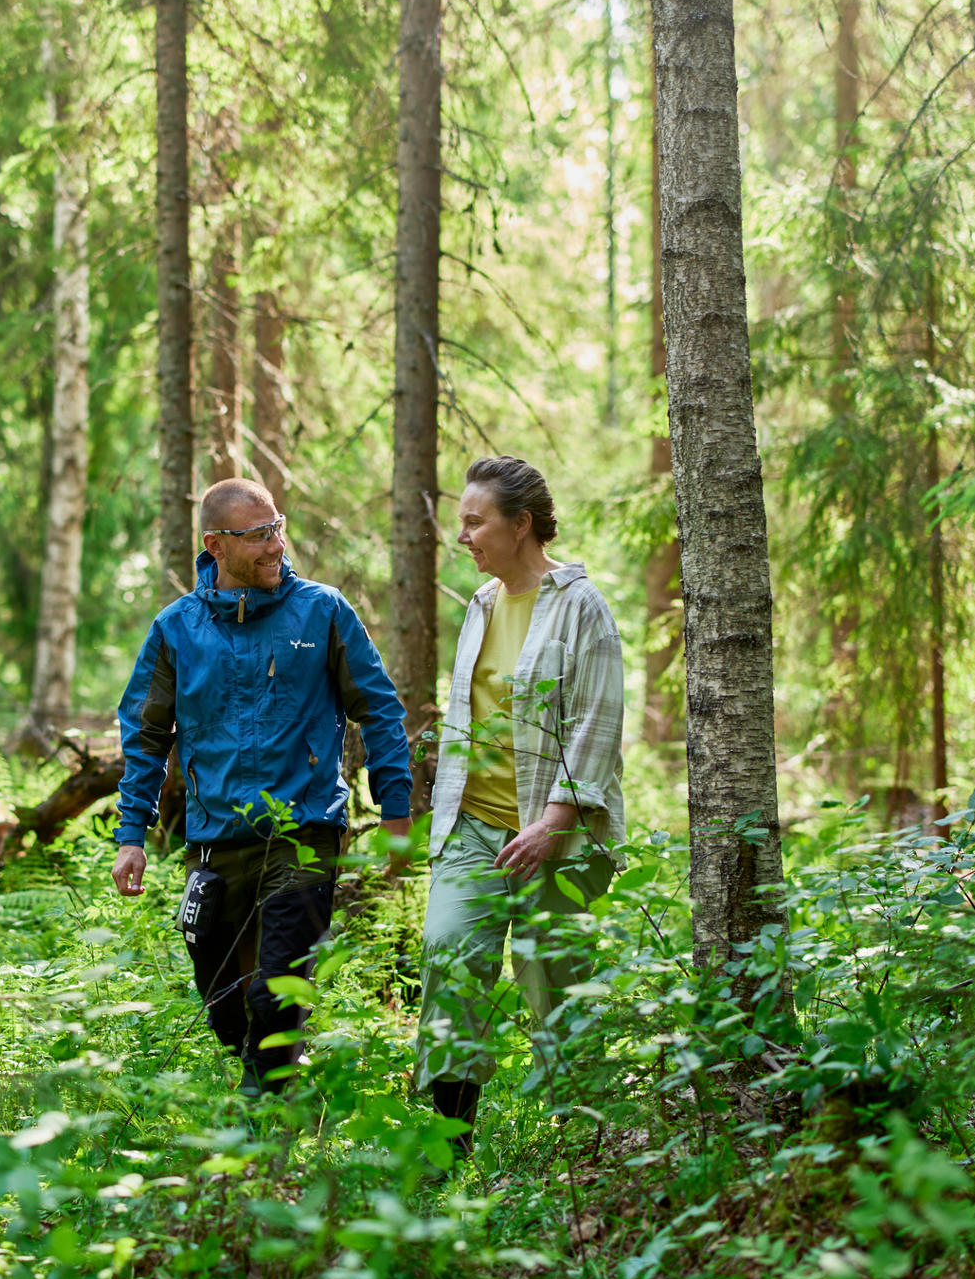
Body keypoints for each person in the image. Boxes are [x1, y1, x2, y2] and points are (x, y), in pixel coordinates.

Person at [112, 478, 414, 1096]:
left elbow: (378, 709)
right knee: (225, 1003)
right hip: (214, 839)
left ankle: (259, 1136)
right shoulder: (176, 628)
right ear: (215, 545)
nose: (277, 545)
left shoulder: (323, 611)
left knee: (278, 989)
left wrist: (396, 811)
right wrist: (131, 832)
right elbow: (146, 733)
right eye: (258, 536)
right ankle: (272, 1082)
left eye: (278, 528)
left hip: (304, 830)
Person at [417, 455, 626, 1154]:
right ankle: (451, 1146)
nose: (463, 536)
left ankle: (586, 1150)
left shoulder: (580, 607)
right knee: (449, 954)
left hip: (554, 834)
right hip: (474, 825)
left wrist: (553, 823)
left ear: (522, 524)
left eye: (475, 522)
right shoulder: (479, 607)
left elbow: (598, 721)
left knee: (554, 980)